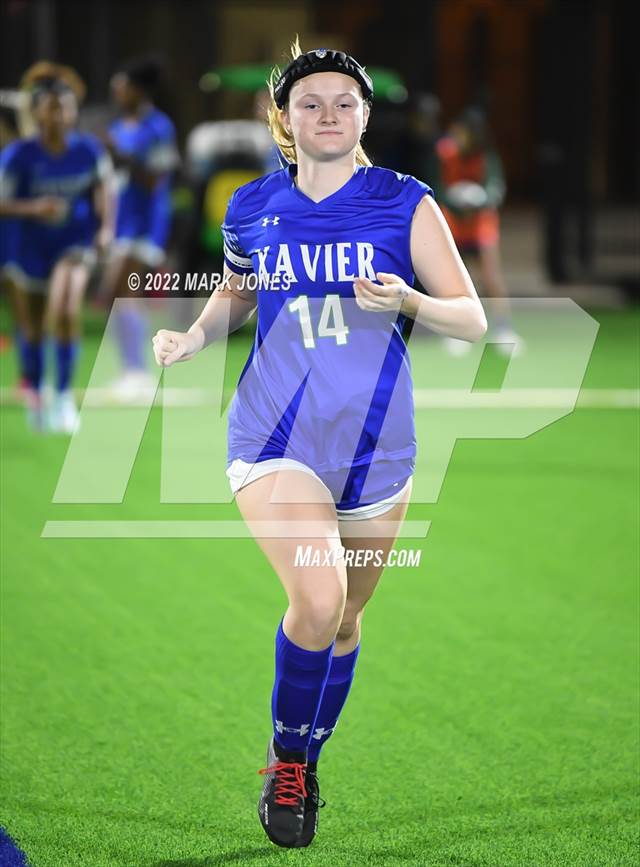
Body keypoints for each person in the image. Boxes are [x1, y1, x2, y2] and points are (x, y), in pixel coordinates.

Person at [151, 41, 487, 849]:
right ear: (286, 119)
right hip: (275, 432)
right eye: (311, 102)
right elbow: (237, 287)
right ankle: (289, 764)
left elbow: (471, 318)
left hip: (377, 444)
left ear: (366, 116)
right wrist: (198, 334)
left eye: (345, 101)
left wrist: (407, 295)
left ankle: (300, 748)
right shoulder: (251, 205)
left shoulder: (406, 202)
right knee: (316, 598)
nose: (329, 113)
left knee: (344, 620)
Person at [0, 62, 112, 432]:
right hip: (28, 247)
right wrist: (36, 207)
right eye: (52, 106)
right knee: (30, 327)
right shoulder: (19, 155)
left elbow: (103, 189)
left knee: (65, 307)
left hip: (73, 242)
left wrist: (105, 228)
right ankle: (35, 392)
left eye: (66, 106)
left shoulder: (88, 151)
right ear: (36, 111)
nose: (60, 114)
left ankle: (63, 396)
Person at [100, 56, 179, 402]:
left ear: (137, 90)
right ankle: (133, 371)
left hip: (146, 223)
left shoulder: (158, 127)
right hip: (120, 223)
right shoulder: (119, 127)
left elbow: (154, 180)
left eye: (121, 86)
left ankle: (138, 373)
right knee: (119, 298)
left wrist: (122, 157)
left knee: (122, 292)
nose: (116, 92)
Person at [429, 106, 523, 355]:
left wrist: (478, 201)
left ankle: (504, 330)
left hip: (481, 227)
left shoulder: (485, 157)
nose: (455, 136)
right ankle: (457, 333)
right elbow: (436, 185)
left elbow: (495, 188)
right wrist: (454, 202)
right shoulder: (445, 153)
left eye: (461, 132)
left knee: (491, 277)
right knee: (456, 281)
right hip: (454, 227)